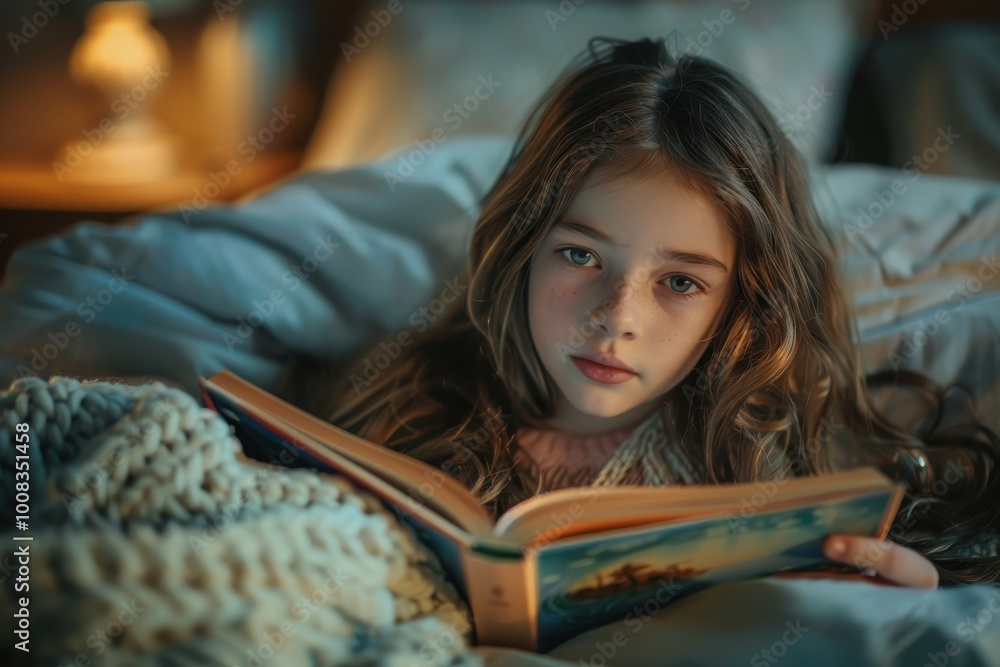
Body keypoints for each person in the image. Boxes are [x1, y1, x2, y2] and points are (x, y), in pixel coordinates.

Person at [280, 36, 999, 588]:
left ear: (739, 303)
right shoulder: (407, 400)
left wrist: (907, 587)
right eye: (582, 256)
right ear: (523, 245)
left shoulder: (779, 461)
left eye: (681, 283)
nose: (616, 317)